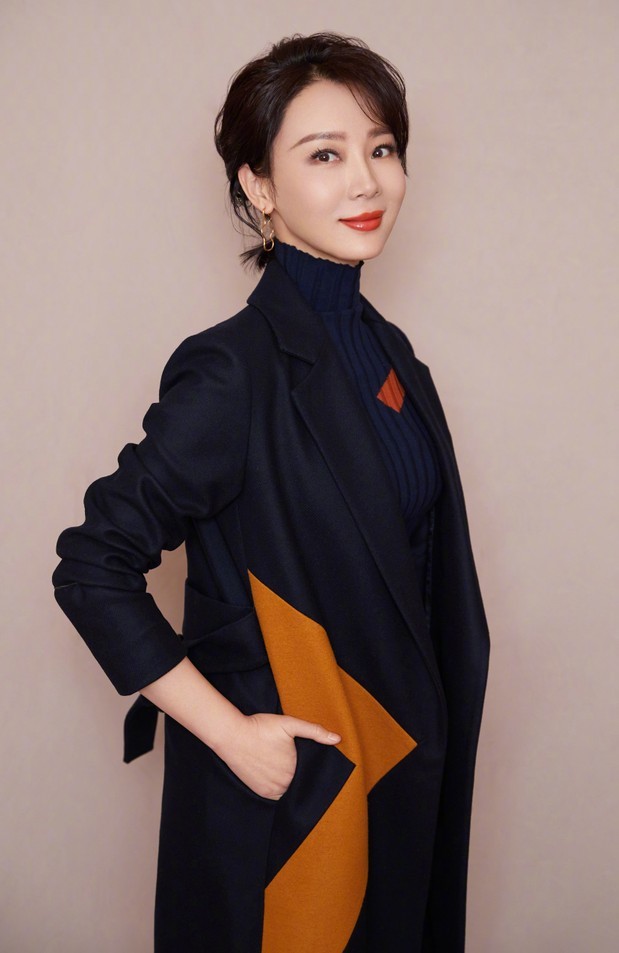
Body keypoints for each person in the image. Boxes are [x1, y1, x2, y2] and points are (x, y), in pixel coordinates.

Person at [52, 32, 490, 953]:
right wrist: (233, 735)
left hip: (400, 775)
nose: (365, 181)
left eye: (381, 148)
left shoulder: (393, 355)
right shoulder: (233, 371)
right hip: (299, 810)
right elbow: (92, 565)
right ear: (259, 186)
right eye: (323, 155)